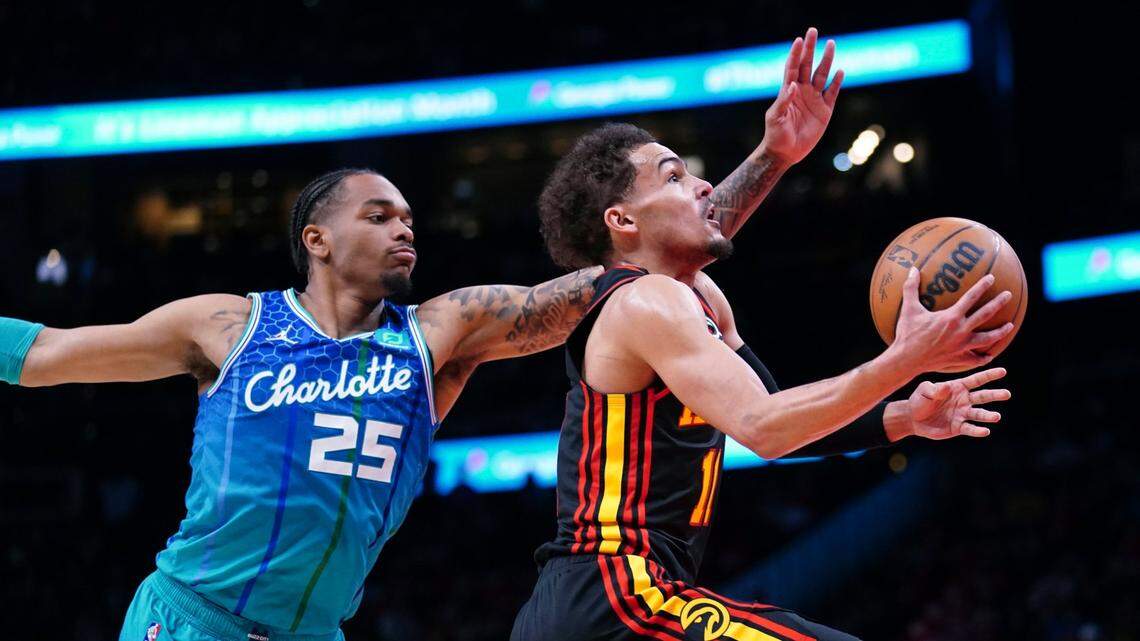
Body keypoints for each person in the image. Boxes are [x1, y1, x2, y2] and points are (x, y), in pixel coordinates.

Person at [0, 27, 845, 641]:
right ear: (317, 239)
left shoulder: (443, 331)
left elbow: (639, 259)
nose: (406, 228)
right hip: (191, 618)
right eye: (379, 214)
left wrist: (771, 158)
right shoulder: (225, 323)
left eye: (409, 215)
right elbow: (45, 355)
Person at [510, 83, 1015, 641]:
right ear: (622, 222)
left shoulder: (694, 295)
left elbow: (780, 422)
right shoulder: (647, 300)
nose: (703, 185)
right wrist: (904, 358)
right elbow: (765, 427)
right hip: (612, 597)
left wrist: (904, 418)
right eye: (674, 177)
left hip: (600, 603)